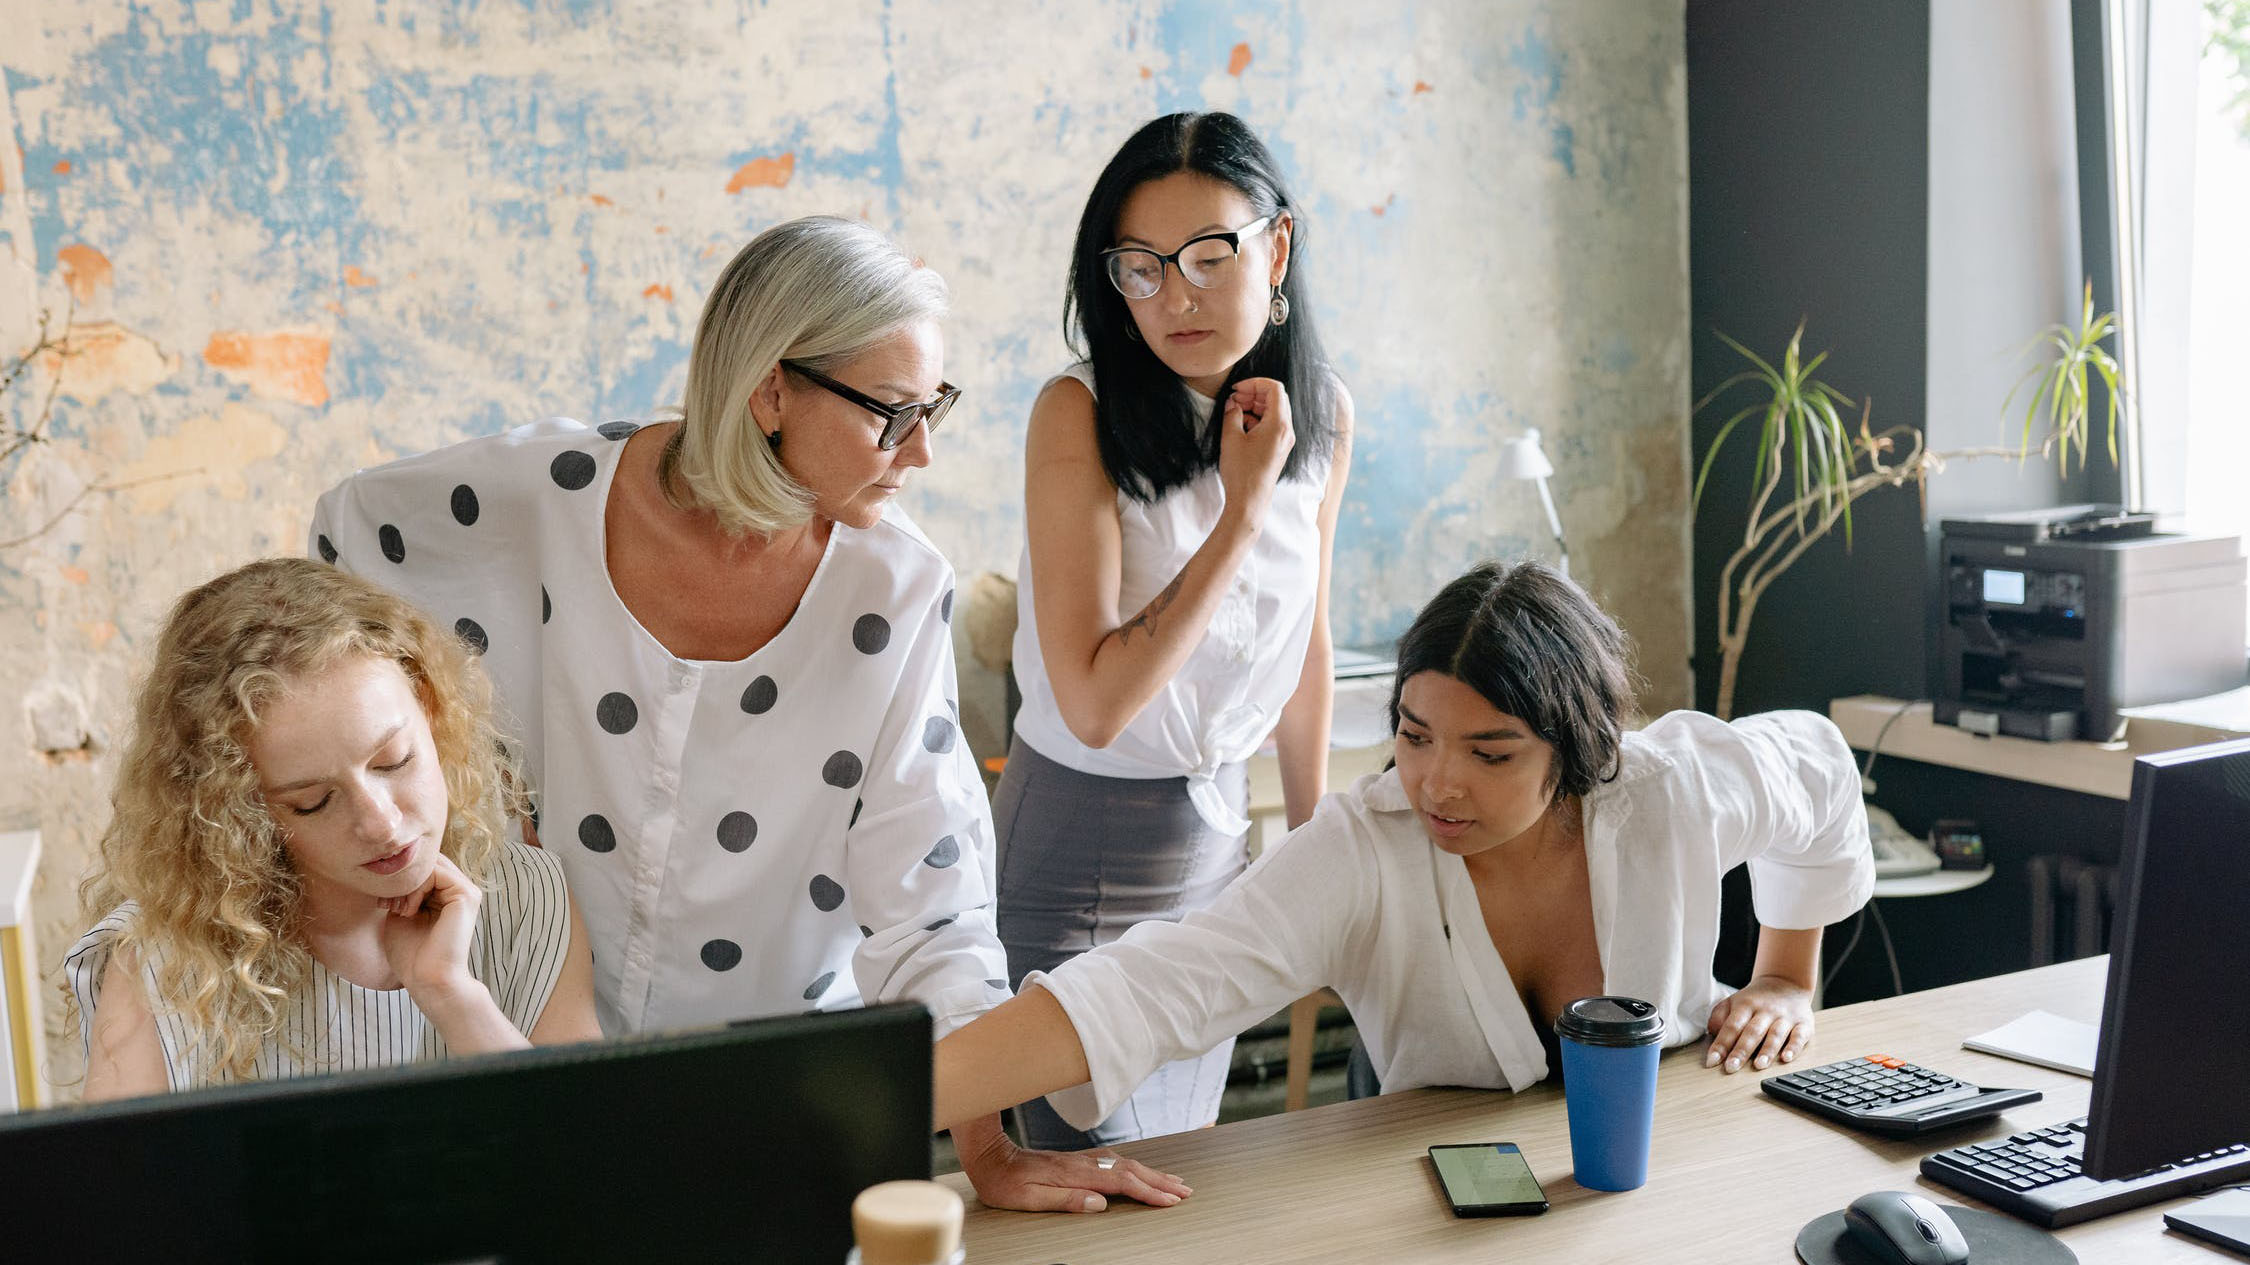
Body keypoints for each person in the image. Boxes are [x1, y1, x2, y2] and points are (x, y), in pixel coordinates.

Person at [309, 215, 1184, 1213]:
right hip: (528, 1053)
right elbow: (349, 542)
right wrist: (452, 791)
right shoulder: (542, 496)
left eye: (933, 407)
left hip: (778, 1098)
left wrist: (986, 1150)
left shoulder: (893, 593)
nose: (923, 452)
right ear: (771, 390)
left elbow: (929, 898)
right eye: (893, 414)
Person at [936, 560, 1874, 1139]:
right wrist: (895, 1102)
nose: (1437, 783)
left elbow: (1823, 771)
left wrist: (1787, 975)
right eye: (1415, 735)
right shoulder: (1363, 849)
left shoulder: (1670, 785)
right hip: (1447, 1191)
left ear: (1577, 746)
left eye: (1490, 751)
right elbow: (1159, 984)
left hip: (1685, 1151)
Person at [997, 110, 1354, 1149]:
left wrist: (1317, 840)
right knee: (1086, 1182)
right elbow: (1097, 704)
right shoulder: (1079, 411)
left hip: (1221, 847)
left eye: (1208, 254)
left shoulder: (1320, 410)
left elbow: (1308, 637)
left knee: (1183, 1172)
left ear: (1276, 245)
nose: (1176, 295)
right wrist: (1239, 513)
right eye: (1141, 268)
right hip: (1080, 847)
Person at [66, 558, 601, 1099]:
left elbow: (590, 1167)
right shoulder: (168, 961)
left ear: (433, 712)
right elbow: (117, 1183)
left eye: (395, 761)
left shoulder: (529, 900)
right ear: (241, 814)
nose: (382, 823)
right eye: (314, 802)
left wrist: (452, 996)